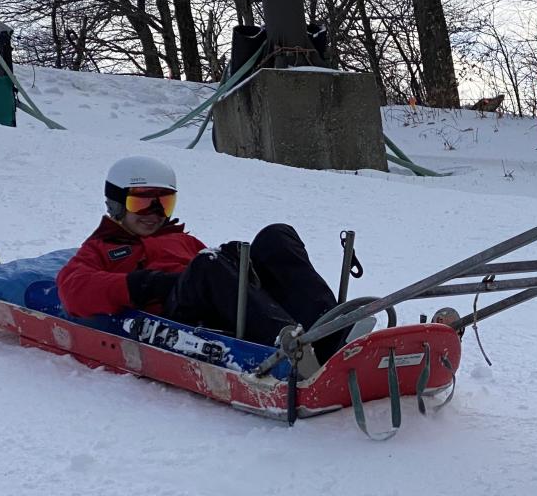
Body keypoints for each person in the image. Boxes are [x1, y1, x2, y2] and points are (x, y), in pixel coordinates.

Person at [55, 156, 346, 365]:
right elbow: (72, 290)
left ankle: (329, 329)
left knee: (276, 236)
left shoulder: (182, 240)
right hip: (177, 314)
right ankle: (291, 351)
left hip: (214, 303)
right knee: (208, 263)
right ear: (117, 203)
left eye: (163, 203)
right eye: (142, 202)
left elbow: (214, 275)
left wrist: (236, 264)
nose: (154, 212)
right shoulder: (101, 247)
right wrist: (144, 285)